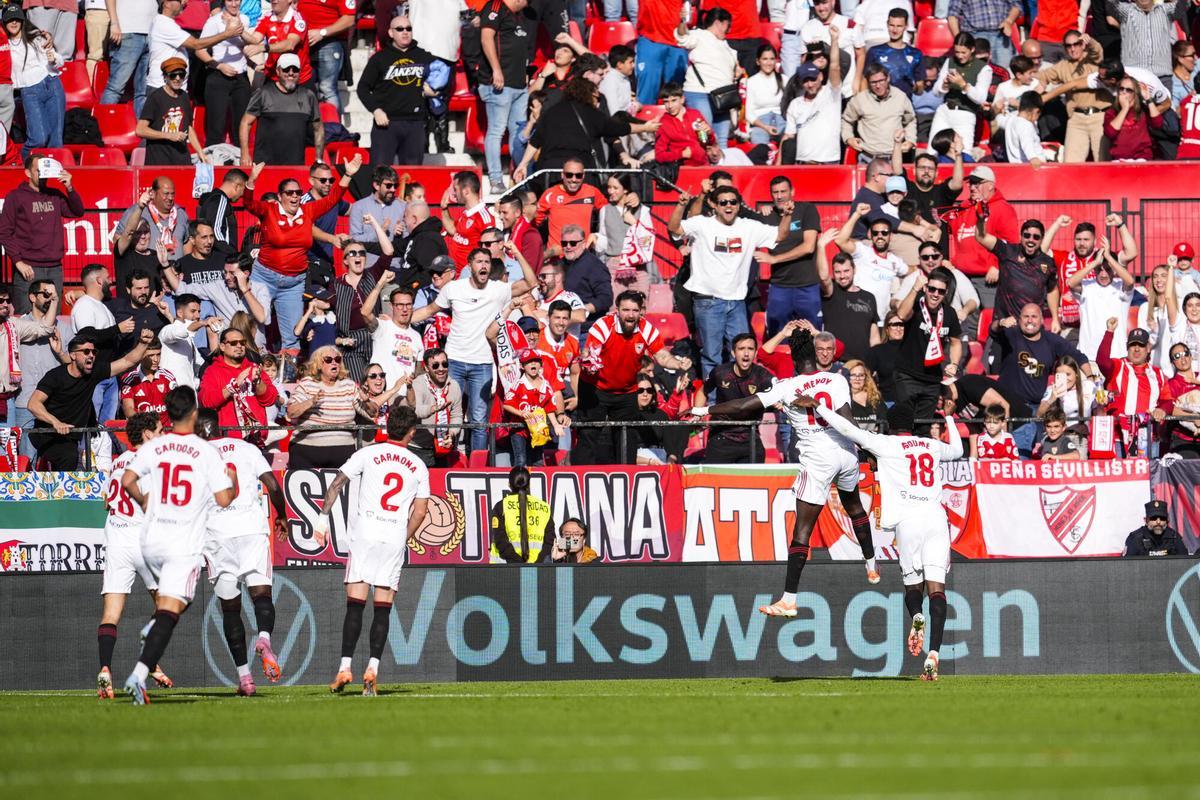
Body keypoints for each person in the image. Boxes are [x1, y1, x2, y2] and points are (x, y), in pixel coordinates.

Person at [693, 328, 879, 603]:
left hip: (818, 460)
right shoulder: (836, 380)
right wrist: (869, 448)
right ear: (815, 356)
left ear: (793, 358)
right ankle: (871, 562)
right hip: (847, 452)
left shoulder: (787, 387)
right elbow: (848, 420)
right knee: (854, 507)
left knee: (802, 529)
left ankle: (788, 599)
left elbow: (743, 406)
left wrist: (704, 410)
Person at [807, 399, 961, 680]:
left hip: (908, 522)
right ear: (913, 424)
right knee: (937, 589)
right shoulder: (931, 445)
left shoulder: (886, 444)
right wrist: (949, 418)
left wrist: (819, 407)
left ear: (891, 425)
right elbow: (959, 450)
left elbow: (847, 429)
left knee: (913, 588)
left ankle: (916, 615)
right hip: (937, 519)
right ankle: (934, 654)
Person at [119, 386, 237, 704]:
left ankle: (154, 629)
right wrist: (231, 478)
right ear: (195, 413)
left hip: (149, 540)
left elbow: (127, 481)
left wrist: (147, 503)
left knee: (172, 606)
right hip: (182, 543)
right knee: (173, 609)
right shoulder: (205, 452)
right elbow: (224, 500)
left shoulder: (156, 447)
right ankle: (139, 675)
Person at [314, 404, 430, 697]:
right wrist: (402, 537)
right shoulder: (418, 465)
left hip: (365, 534)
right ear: (412, 432)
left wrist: (321, 518)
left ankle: (344, 667)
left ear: (387, 426)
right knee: (383, 608)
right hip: (392, 536)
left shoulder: (368, 453)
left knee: (355, 605)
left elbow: (338, 482)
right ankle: (373, 670)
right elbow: (420, 512)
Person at [410, 246, 538, 456]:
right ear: (469, 266)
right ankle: (448, 459)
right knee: (449, 414)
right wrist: (401, 321)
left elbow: (531, 283)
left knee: (479, 420)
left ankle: (477, 466)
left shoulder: (499, 289)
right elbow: (429, 310)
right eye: (479, 261)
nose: (484, 265)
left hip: (483, 363)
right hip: (455, 360)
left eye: (487, 262)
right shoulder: (453, 288)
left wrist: (517, 251)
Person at [195, 408, 286, 696]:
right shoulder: (246, 448)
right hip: (251, 529)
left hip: (217, 535)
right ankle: (264, 637)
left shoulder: (196, 458)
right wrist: (282, 515)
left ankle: (245, 678)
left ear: (198, 431)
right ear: (219, 427)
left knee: (230, 608)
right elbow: (272, 484)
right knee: (261, 594)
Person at [243, 155, 361, 354]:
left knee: (292, 338)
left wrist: (347, 174)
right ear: (280, 196)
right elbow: (248, 204)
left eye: (298, 192)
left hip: (293, 282)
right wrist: (251, 180)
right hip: (265, 277)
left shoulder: (307, 211)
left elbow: (333, 199)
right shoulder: (270, 210)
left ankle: (288, 379)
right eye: (289, 193)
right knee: (256, 326)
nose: (295, 196)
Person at [669, 185, 786, 376]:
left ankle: (739, 400)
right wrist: (681, 206)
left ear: (739, 205)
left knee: (743, 354)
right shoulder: (702, 224)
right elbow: (674, 228)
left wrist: (787, 216)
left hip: (737, 302)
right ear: (714, 205)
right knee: (711, 356)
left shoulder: (749, 226)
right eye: (723, 202)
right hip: (708, 301)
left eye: (733, 202)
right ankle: (713, 402)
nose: (728, 206)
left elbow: (780, 235)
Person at [95, 412, 171, 700]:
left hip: (116, 539)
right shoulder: (153, 462)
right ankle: (148, 659)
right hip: (143, 540)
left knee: (111, 613)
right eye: (160, 430)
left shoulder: (118, 462)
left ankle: (105, 670)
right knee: (169, 606)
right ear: (148, 434)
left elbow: (107, 502)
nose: (163, 434)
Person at [576, 290, 692, 464]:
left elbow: (661, 356)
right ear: (617, 310)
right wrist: (587, 360)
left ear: (641, 311)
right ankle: (583, 477)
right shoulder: (603, 325)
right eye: (626, 310)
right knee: (589, 435)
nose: (630, 315)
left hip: (627, 390)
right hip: (596, 388)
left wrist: (678, 364)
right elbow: (590, 351)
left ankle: (627, 477)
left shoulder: (646, 329)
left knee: (627, 437)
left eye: (635, 311)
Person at [0, 153, 83, 311]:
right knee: (26, 320)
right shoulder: (15, 196)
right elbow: (4, 232)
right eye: (38, 170)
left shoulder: (55, 195)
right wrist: (18, 262)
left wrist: (69, 187)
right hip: (28, 268)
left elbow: (77, 211)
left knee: (53, 321)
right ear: (28, 172)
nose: (43, 175)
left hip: (54, 269)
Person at [357, 14, 436, 167]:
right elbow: (363, 88)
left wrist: (435, 91)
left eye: (408, 28)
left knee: (411, 177)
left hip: (415, 124)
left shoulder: (424, 56)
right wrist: (376, 110)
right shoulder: (379, 59)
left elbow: (441, 80)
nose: (405, 32)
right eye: (400, 29)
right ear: (391, 33)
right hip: (386, 125)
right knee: (379, 175)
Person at [891, 266, 962, 431]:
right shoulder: (916, 304)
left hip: (932, 380)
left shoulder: (949, 314)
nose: (935, 294)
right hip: (907, 375)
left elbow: (956, 341)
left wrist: (954, 363)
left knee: (923, 429)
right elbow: (901, 314)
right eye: (932, 289)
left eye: (941, 291)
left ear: (945, 293)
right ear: (926, 288)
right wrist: (915, 288)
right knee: (904, 425)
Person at [477, 0, 534, 191]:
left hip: (519, 85)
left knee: (518, 133)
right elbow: (486, 38)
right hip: (499, 84)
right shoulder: (495, 6)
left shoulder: (520, 16)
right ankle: (495, 180)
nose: (528, 4)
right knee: (497, 130)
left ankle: (518, 178)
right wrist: (496, 70)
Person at [694, 333, 775, 464]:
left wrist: (778, 402)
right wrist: (697, 413)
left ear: (755, 353)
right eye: (741, 349)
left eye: (750, 349)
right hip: (721, 438)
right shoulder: (720, 372)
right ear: (733, 353)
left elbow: (780, 394)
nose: (746, 353)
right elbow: (703, 391)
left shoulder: (763, 376)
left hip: (751, 439)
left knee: (754, 483)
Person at [1096, 323, 1172, 455]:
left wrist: (1162, 409)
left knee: (1148, 476)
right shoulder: (1117, 366)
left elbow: (1167, 400)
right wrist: (1109, 332)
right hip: (1118, 438)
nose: (1136, 349)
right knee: (1120, 476)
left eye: (1141, 345)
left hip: (1148, 437)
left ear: (1148, 348)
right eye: (1133, 345)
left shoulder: (1158, 373)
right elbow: (1102, 361)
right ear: (1127, 347)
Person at [196, 327, 281, 443]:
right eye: (234, 343)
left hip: (255, 440)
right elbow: (205, 401)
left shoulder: (254, 368)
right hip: (228, 443)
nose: (239, 346)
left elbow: (271, 399)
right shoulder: (213, 371)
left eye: (242, 342)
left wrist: (258, 383)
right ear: (222, 346)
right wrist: (233, 386)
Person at [974, 215, 1060, 328]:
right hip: (1004, 326)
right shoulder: (1008, 251)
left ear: (1042, 239)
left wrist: (1055, 319)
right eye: (1027, 235)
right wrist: (981, 219)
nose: (1031, 240)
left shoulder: (1048, 262)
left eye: (1036, 237)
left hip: (1031, 328)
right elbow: (981, 237)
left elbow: (1052, 289)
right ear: (1021, 236)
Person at [239, 53, 323, 166]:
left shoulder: (308, 96)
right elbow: (245, 123)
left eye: (295, 69)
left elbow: (318, 129)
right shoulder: (263, 93)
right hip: (264, 165)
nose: (291, 73)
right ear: (278, 71)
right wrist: (244, 153)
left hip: (295, 166)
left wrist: (319, 159)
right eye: (286, 69)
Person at [196, 0, 260, 148]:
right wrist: (219, 66)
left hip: (241, 78)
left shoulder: (244, 19)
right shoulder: (214, 22)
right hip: (218, 78)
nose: (234, 4)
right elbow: (199, 50)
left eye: (237, 0)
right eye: (230, 0)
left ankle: (240, 167)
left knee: (241, 129)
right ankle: (213, 167)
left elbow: (248, 45)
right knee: (216, 129)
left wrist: (252, 64)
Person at [835, 203, 912, 325]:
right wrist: (857, 214)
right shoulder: (862, 251)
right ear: (870, 235)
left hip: (880, 322)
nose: (880, 236)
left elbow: (913, 271)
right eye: (876, 233)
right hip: (857, 317)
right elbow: (840, 240)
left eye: (884, 233)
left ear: (890, 236)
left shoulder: (894, 261)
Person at [5, 7, 65, 159]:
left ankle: (51, 175)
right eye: (10, 19)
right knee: (38, 138)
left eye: (17, 19)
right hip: (29, 90)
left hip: (52, 83)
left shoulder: (35, 37)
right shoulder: (4, 44)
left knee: (56, 140)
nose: (13, 22)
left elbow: (58, 60)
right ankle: (21, 163)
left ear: (22, 21)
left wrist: (53, 59)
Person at [147, 0, 243, 93]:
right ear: (166, 3)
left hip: (173, 87)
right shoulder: (164, 24)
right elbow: (196, 44)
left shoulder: (167, 23)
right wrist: (226, 34)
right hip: (162, 88)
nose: (184, 2)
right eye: (180, 0)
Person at [676, 6, 739, 147]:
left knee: (721, 139)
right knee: (703, 137)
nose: (729, 31)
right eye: (728, 26)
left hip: (723, 97)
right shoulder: (699, 35)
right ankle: (702, 167)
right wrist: (682, 21)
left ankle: (720, 168)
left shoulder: (725, 44)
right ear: (719, 22)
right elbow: (682, 38)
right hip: (700, 94)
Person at [0, 281, 57, 427]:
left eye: (8, 301)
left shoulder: (13, 324)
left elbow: (45, 328)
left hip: (7, 400)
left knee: (9, 447)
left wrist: (55, 300)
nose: (5, 304)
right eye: (1, 300)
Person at [1067, 243, 1136, 361]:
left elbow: (1130, 281)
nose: (1103, 274)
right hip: (1089, 356)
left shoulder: (1120, 286)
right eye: (1099, 270)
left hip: (1116, 355)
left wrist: (1108, 257)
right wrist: (1094, 263)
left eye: (1108, 269)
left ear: (1114, 269)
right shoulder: (1087, 286)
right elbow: (1071, 282)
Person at [928, 33, 993, 152]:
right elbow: (936, 92)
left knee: (963, 152)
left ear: (972, 49)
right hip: (945, 111)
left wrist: (963, 85)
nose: (959, 56)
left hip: (965, 114)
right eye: (957, 52)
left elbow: (980, 98)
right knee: (933, 150)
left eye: (964, 52)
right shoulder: (950, 62)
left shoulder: (984, 69)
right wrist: (945, 84)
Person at [594, 174, 655, 299]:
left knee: (639, 306)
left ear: (625, 189)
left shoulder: (642, 210)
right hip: (614, 264)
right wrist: (595, 238)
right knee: (614, 308)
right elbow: (604, 238)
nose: (610, 191)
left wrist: (633, 222)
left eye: (615, 188)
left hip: (637, 265)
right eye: (609, 187)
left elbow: (648, 239)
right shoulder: (605, 210)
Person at [842, 62, 917, 161]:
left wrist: (910, 140)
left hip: (895, 158)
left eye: (881, 81)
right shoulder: (860, 100)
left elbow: (910, 121)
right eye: (873, 82)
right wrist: (848, 138)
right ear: (868, 82)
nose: (878, 86)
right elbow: (846, 120)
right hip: (868, 157)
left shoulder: (900, 97)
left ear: (888, 78)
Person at [501, 349, 564, 466]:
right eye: (529, 362)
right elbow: (507, 404)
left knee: (538, 461)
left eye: (536, 361)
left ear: (541, 365)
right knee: (520, 461)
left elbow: (549, 408)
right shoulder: (519, 385)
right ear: (522, 366)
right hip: (519, 430)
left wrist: (555, 425)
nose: (533, 364)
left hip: (538, 429)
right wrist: (520, 413)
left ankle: (536, 484)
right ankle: (519, 483)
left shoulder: (546, 386)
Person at [137, 57, 205, 165]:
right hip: (159, 160)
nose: (177, 78)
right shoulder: (155, 98)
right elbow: (140, 130)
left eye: (181, 75)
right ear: (165, 77)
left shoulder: (185, 97)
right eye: (173, 75)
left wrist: (201, 153)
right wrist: (169, 135)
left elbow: (188, 128)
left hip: (182, 159)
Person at [821, 245, 881, 364]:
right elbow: (823, 277)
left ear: (854, 270)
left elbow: (874, 337)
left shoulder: (869, 297)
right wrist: (821, 246)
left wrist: (876, 362)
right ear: (833, 273)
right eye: (838, 272)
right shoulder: (831, 292)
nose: (842, 276)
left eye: (846, 271)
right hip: (836, 362)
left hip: (863, 364)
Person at [535, 159, 608, 252]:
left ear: (583, 176)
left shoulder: (592, 192)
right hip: (557, 258)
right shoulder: (550, 194)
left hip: (582, 256)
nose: (573, 179)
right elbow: (534, 222)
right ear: (562, 175)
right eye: (569, 175)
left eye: (578, 175)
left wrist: (628, 198)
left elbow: (610, 212)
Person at [407, 347, 463, 467]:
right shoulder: (418, 383)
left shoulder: (454, 386)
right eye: (436, 365)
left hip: (442, 448)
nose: (441, 369)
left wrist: (452, 433)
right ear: (426, 368)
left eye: (444, 364)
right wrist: (432, 409)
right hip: (417, 448)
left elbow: (457, 416)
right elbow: (414, 410)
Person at [100, 0, 157, 115]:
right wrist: (114, 23)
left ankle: (139, 130)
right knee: (115, 88)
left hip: (151, 33)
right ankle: (102, 126)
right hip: (127, 31)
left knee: (142, 92)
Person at [114, 177, 189, 264]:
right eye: (166, 194)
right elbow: (118, 240)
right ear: (153, 193)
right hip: (147, 273)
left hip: (175, 274)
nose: (170, 197)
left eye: (172, 194)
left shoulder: (181, 214)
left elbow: (187, 243)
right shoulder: (136, 211)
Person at [297, 0, 354, 114]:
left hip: (329, 42)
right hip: (303, 43)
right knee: (303, 87)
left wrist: (322, 32)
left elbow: (349, 19)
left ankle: (332, 129)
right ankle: (309, 128)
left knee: (327, 89)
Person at [781, 59, 842, 165]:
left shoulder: (831, 94)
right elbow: (788, 135)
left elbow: (835, 67)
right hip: (803, 163)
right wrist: (778, 165)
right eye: (805, 81)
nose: (809, 84)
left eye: (813, 79)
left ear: (821, 77)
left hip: (828, 161)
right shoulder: (795, 104)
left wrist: (834, 41)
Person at [489, 465, 555, 563]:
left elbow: (500, 541)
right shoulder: (544, 507)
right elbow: (550, 541)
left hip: (505, 569)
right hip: (537, 567)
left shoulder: (501, 506)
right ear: (528, 485)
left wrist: (519, 563)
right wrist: (537, 563)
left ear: (509, 484)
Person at [364, 284, 424, 388]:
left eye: (408, 304)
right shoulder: (382, 327)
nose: (404, 309)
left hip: (406, 398)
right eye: (400, 305)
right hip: (384, 394)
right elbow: (365, 312)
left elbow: (418, 373)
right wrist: (380, 284)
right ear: (391, 306)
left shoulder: (417, 336)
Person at [349, 168, 403, 271]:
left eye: (395, 186)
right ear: (376, 185)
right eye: (388, 185)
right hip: (369, 268)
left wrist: (400, 234)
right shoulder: (359, 207)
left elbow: (410, 240)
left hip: (395, 268)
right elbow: (354, 239)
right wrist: (379, 232)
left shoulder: (402, 206)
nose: (393, 189)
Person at [860, 7, 923, 96]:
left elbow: (919, 90)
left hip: (904, 106)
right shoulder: (875, 51)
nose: (894, 30)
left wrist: (913, 85)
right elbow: (864, 80)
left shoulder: (915, 54)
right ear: (887, 24)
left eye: (899, 26)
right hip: (879, 105)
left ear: (906, 26)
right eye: (892, 25)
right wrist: (865, 104)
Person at [157, 293, 215, 388]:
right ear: (180, 313)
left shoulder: (190, 341)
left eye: (199, 311)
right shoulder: (167, 330)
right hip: (172, 395)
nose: (197, 315)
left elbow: (201, 366)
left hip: (190, 396)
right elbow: (180, 332)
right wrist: (203, 322)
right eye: (193, 311)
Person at [251, 0, 312, 87]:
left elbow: (290, 44)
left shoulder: (298, 19)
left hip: (298, 79)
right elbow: (254, 39)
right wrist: (240, 30)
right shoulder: (267, 17)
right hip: (273, 77)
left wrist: (264, 48)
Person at [947, 0, 1019, 71]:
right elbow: (952, 15)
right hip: (975, 35)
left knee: (1006, 70)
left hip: (1001, 34)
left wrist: (1009, 21)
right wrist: (960, 41)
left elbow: (1016, 5)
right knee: (977, 71)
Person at [1103, 75, 1163, 161]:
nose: (1124, 92)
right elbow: (1110, 133)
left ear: (1135, 94)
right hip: (1119, 159)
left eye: (1129, 90)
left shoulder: (1143, 110)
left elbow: (1158, 124)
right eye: (1121, 88)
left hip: (1141, 158)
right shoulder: (1111, 112)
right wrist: (1124, 109)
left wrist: (1148, 99)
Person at [654, 81, 711, 171]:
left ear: (682, 99)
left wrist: (709, 133)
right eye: (666, 102)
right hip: (682, 170)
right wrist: (682, 154)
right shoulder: (663, 123)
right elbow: (659, 156)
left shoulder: (695, 114)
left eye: (674, 100)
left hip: (704, 166)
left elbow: (708, 142)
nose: (670, 106)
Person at [440, 171, 492, 268]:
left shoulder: (485, 219)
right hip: (454, 274)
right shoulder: (466, 213)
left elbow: (491, 251)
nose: (454, 194)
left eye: (456, 189)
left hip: (467, 277)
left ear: (466, 191)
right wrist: (444, 208)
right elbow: (453, 230)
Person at [1037, 354, 1098, 423]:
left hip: (1084, 431)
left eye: (1068, 374)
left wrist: (1102, 402)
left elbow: (1097, 411)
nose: (1065, 378)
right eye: (1060, 375)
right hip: (1062, 432)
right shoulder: (1052, 389)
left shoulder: (1088, 386)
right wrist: (1051, 399)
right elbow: (1039, 415)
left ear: (1076, 374)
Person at [745, 44, 785, 148]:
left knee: (791, 141)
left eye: (772, 59)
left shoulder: (784, 79)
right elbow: (748, 113)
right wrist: (765, 127)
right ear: (758, 61)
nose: (769, 63)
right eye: (765, 59)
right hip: (760, 122)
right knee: (759, 146)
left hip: (782, 119)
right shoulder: (751, 82)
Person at [1123, 500, 1191, 556]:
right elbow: (1127, 566)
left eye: (1162, 518)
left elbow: (1185, 565)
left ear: (1167, 521)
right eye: (1154, 518)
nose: (1158, 522)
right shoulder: (1135, 539)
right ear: (1146, 520)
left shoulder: (1175, 538)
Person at [1005, 92, 1049, 165]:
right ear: (1036, 111)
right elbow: (1027, 144)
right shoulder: (1025, 125)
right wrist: (1033, 158)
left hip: (1015, 166)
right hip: (1031, 167)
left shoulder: (1011, 120)